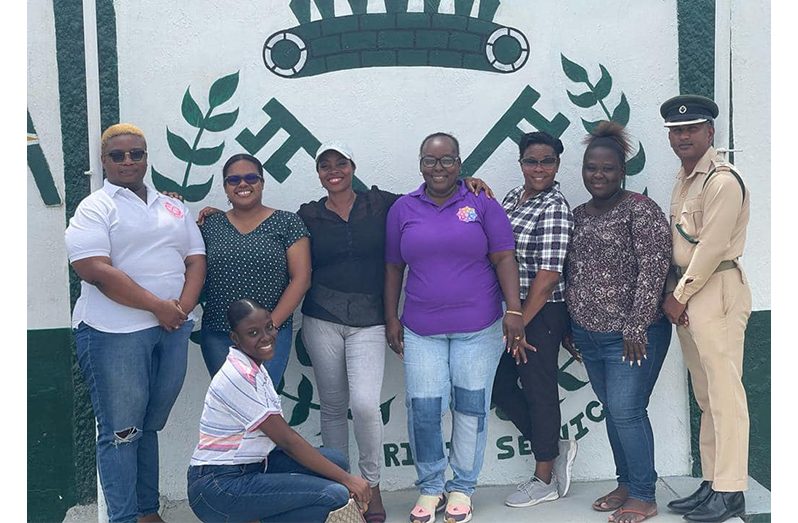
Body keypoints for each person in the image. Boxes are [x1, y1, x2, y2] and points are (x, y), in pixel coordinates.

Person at [297, 142, 493, 523]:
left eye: (341, 163)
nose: (333, 170)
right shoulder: (308, 214)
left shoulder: (382, 203)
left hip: (369, 320)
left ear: (354, 166)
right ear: (318, 173)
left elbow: (434, 191)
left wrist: (466, 182)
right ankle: (341, 492)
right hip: (321, 317)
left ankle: (370, 487)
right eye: (325, 165)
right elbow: (271, 228)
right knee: (333, 408)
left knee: (365, 406)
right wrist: (210, 213)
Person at [384, 132, 530, 523]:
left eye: (447, 160)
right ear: (420, 164)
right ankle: (431, 487)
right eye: (431, 161)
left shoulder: (482, 203)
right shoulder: (403, 209)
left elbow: (503, 258)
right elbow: (393, 268)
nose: (439, 168)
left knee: (470, 408)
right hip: (420, 329)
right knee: (425, 409)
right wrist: (391, 318)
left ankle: (463, 487)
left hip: (478, 328)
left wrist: (513, 311)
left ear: (459, 163)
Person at [65, 123, 206, 523]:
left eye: (136, 154)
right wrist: (157, 307)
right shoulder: (95, 207)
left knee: (148, 425)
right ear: (104, 161)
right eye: (118, 155)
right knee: (122, 432)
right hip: (114, 335)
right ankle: (123, 518)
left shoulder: (174, 207)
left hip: (172, 330)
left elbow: (195, 259)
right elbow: (94, 269)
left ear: (146, 158)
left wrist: (180, 308)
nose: (128, 161)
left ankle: (147, 513)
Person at [563, 121, 672, 523]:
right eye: (591, 167)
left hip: (633, 336)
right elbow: (570, 272)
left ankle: (644, 494)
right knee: (613, 410)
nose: (598, 175)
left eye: (607, 168)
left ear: (622, 171)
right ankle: (627, 482)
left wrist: (635, 325)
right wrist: (572, 326)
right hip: (588, 336)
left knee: (627, 411)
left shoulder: (640, 211)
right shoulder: (577, 215)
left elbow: (654, 269)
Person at [186, 298, 371, 522]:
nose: (266, 337)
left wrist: (342, 475)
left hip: (253, 467)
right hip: (219, 487)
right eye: (253, 333)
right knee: (334, 494)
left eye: (269, 327)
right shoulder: (237, 375)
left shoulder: (255, 368)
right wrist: (348, 480)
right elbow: (287, 441)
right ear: (235, 338)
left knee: (335, 461)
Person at [659, 95, 751, 523]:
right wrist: (679, 292)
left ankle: (731, 490)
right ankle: (713, 480)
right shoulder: (685, 178)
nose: (682, 137)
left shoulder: (722, 180)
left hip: (716, 288)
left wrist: (680, 295)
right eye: (676, 131)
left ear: (709, 132)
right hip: (692, 291)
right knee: (706, 393)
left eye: (690, 129)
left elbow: (711, 247)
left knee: (725, 395)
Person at [492, 131, 578, 509]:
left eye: (547, 161)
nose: (539, 168)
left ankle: (544, 476)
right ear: (521, 163)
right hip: (515, 311)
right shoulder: (514, 196)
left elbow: (548, 277)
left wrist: (520, 323)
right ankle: (554, 446)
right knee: (499, 385)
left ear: (558, 165)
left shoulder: (555, 206)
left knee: (538, 387)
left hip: (540, 312)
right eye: (532, 161)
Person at [198, 153, 311, 383]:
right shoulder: (210, 225)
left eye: (251, 177)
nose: (242, 184)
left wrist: (268, 327)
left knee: (263, 409)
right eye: (234, 180)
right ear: (225, 187)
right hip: (220, 334)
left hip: (271, 334)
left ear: (262, 182)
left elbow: (301, 279)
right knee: (230, 407)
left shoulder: (288, 223)